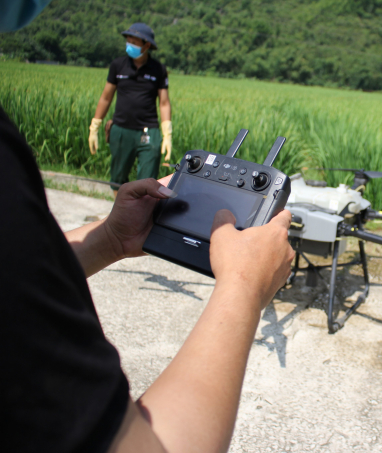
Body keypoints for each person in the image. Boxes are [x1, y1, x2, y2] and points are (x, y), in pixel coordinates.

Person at [0, 3, 295, 452]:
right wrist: (245, 287)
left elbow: (17, 282)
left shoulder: (156, 70)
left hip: (144, 134)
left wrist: (108, 239)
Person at [88, 22, 173, 198]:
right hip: (121, 130)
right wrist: (95, 126)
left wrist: (167, 134)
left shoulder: (158, 69)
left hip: (149, 131)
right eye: (128, 41)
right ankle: (121, 214)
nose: (130, 45)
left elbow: (164, 103)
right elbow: (106, 97)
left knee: (148, 182)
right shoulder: (118, 65)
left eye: (134, 42)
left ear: (146, 45)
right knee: (118, 178)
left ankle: (141, 218)